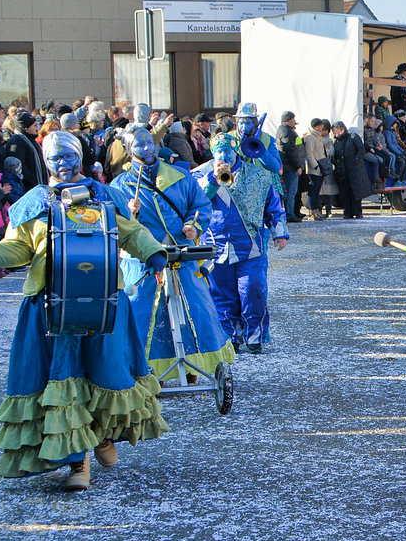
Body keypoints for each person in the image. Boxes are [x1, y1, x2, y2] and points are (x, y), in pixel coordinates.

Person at [0, 132, 168, 490]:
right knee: (63, 381)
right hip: (51, 307)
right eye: (55, 158)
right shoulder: (32, 202)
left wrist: (154, 254)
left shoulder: (104, 195)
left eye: (68, 156)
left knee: (104, 373)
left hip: (103, 301)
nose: (63, 164)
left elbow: (132, 233)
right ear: (45, 161)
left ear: (80, 157)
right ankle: (77, 463)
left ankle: (100, 435)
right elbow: (15, 250)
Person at [112, 126, 235, 383]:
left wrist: (193, 225)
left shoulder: (179, 176)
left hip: (182, 256)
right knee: (142, 315)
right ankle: (142, 370)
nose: (146, 148)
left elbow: (200, 203)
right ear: (128, 150)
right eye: (139, 144)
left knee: (197, 310)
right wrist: (127, 211)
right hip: (144, 262)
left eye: (148, 142)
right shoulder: (120, 185)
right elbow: (115, 225)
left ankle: (193, 365)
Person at [195, 133, 289, 354]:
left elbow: (273, 205)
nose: (224, 156)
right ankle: (230, 337)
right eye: (219, 152)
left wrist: (279, 231)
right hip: (215, 247)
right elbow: (195, 203)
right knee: (221, 293)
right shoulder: (200, 175)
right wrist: (212, 179)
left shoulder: (258, 175)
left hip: (250, 245)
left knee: (253, 289)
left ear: (236, 151)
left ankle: (255, 335)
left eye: (228, 151)